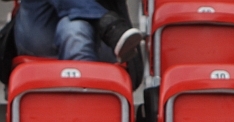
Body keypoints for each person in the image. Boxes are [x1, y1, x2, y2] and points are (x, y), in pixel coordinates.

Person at [14, 0, 142, 63]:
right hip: (40, 34)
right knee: (75, 30)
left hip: (100, 44)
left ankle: (82, 99)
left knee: (75, 28)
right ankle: (109, 25)